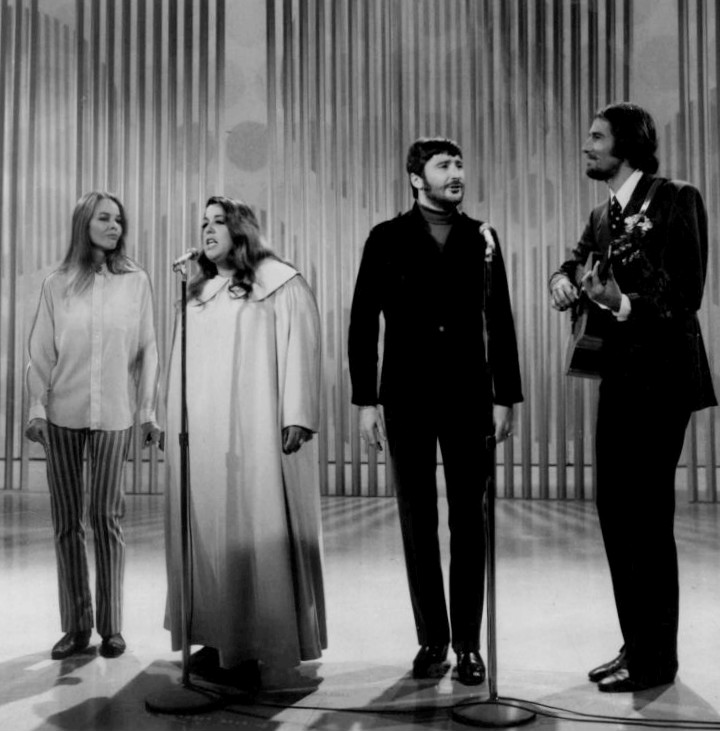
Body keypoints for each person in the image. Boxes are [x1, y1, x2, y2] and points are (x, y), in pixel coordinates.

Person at [549, 102, 716, 692]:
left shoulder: (677, 198)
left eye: (597, 137)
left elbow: (686, 294)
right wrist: (562, 281)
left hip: (664, 381)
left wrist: (619, 302)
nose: (587, 145)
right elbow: (574, 261)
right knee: (615, 514)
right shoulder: (602, 213)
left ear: (627, 145)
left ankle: (656, 661)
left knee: (646, 518)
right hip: (618, 379)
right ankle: (636, 644)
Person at [348, 137, 523, 685]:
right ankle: (432, 639)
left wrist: (505, 396)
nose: (457, 172)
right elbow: (362, 322)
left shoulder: (482, 237)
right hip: (406, 395)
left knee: (471, 519)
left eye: (460, 163)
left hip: (470, 395)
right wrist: (366, 400)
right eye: (444, 165)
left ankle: (469, 644)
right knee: (417, 518)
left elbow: (500, 319)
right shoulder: (386, 237)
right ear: (416, 178)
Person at [163, 195, 326, 690]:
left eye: (219, 221)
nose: (208, 230)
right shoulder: (197, 291)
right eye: (204, 223)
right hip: (204, 436)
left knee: (254, 529)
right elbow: (180, 364)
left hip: (255, 430)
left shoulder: (277, 281)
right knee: (209, 535)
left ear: (241, 230)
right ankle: (217, 640)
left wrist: (296, 413)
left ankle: (257, 645)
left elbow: (301, 345)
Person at [25, 191, 161, 660]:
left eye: (119, 220)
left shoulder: (136, 282)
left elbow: (148, 350)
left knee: (106, 517)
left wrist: (148, 411)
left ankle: (112, 627)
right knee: (67, 522)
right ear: (83, 223)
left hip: (115, 415)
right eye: (104, 218)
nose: (114, 226)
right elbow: (41, 353)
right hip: (62, 414)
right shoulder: (57, 284)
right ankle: (76, 626)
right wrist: (36, 409)